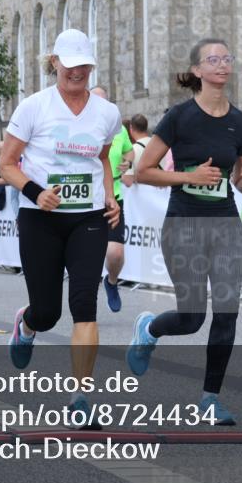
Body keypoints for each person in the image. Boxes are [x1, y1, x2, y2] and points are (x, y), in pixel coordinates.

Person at [127, 38, 242, 426]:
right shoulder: (179, 117)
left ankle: (210, 398)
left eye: (226, 57)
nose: (221, 64)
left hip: (226, 224)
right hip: (183, 223)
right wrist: (189, 176)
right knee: (192, 317)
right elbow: (143, 171)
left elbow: (241, 179)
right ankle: (149, 329)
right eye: (212, 59)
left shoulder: (241, 123)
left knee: (227, 312)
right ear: (198, 71)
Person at [0, 28, 120, 427]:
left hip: (88, 218)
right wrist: (35, 192)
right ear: (54, 64)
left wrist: (110, 194)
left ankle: (81, 398)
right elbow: (7, 164)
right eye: (70, 66)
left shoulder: (106, 112)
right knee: (49, 312)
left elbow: (102, 159)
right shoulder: (34, 107)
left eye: (84, 66)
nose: (77, 73)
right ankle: (27, 323)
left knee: (84, 303)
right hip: (41, 218)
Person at [90, 87, 133, 313]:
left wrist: (128, 163)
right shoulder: (79, 126)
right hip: (87, 199)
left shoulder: (118, 130)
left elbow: (130, 152)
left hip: (113, 196)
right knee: (89, 256)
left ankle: (112, 282)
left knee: (115, 253)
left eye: (103, 102)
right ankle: (86, 306)